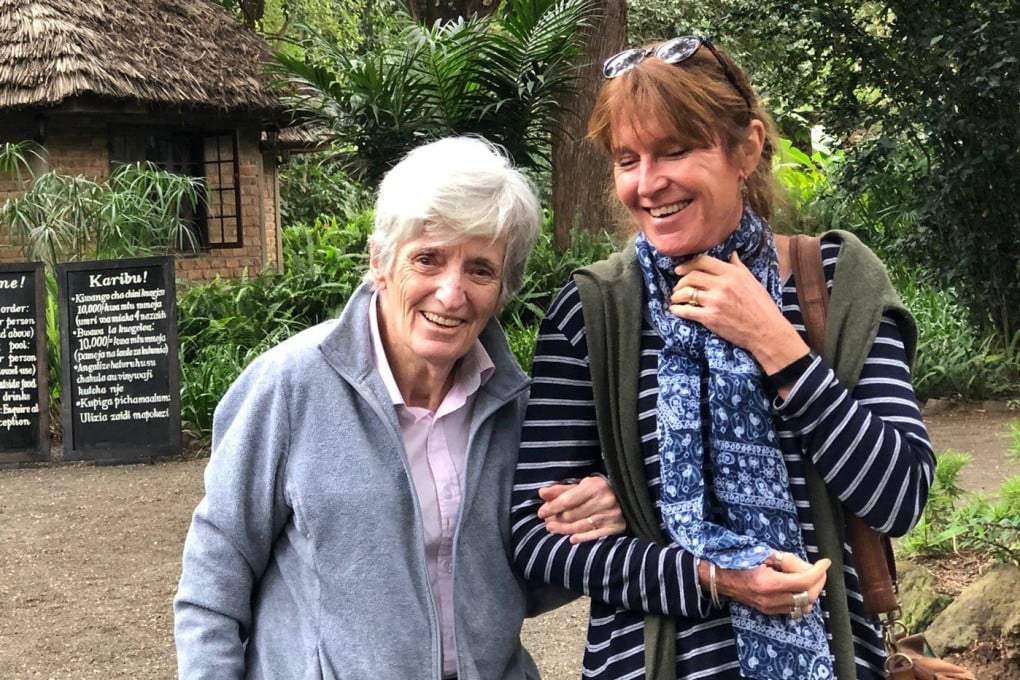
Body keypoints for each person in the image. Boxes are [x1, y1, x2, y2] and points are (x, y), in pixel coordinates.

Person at [510, 36, 935, 680]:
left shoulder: (835, 281)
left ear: (747, 147)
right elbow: (536, 542)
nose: (649, 184)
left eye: (676, 150)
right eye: (628, 159)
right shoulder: (594, 311)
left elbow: (899, 496)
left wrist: (777, 345)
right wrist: (711, 573)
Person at [173, 136, 622, 679]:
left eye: (480, 270)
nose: (451, 293)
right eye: (428, 259)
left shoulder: (517, 408)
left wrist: (598, 514)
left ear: (503, 288)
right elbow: (214, 578)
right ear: (380, 262)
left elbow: (523, 582)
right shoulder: (290, 387)